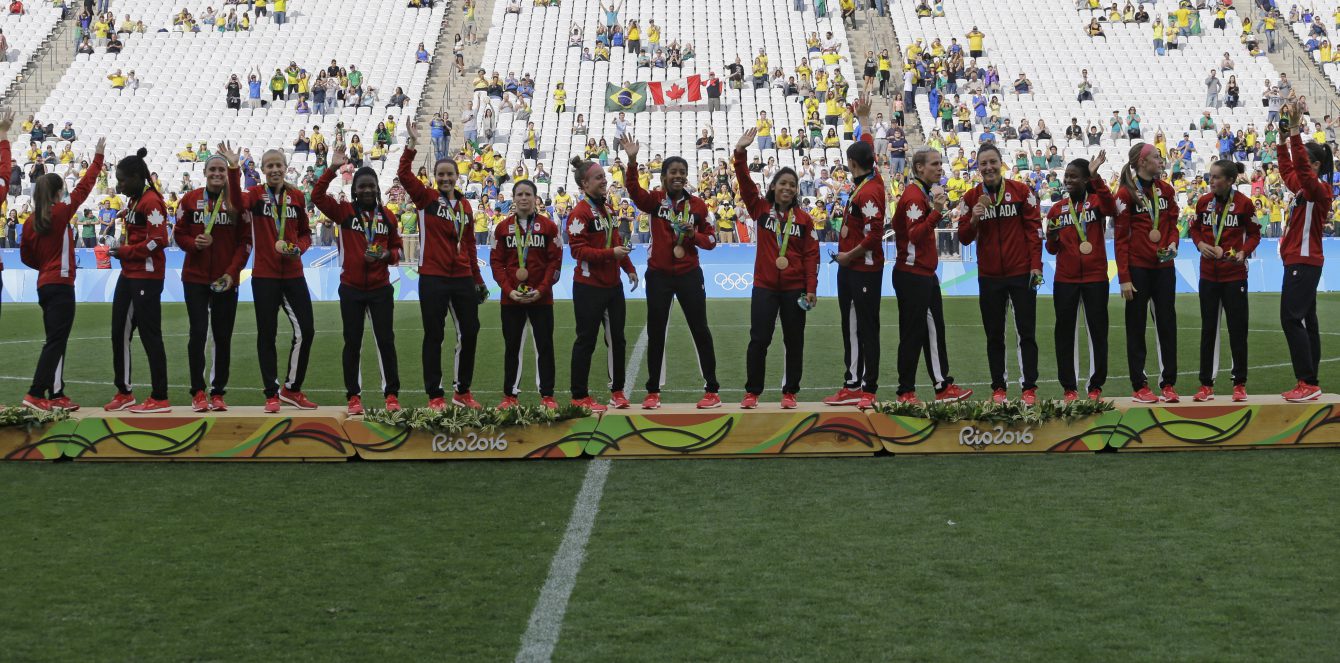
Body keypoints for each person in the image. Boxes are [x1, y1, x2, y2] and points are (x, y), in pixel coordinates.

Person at [619, 137, 720, 409]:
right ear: (663, 177)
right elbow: (632, 190)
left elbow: (711, 242)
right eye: (673, 172)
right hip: (659, 275)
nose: (678, 176)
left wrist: (694, 234)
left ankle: (712, 390)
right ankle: (653, 391)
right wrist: (631, 161)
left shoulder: (698, 206)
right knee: (656, 331)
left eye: (682, 173)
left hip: (689, 274)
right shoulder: (653, 201)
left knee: (700, 329)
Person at [401, 122, 488, 409]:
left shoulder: (465, 207)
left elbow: (471, 245)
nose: (446, 178)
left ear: (457, 176)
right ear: (435, 178)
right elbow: (403, 175)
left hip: (462, 276)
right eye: (441, 174)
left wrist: (477, 279)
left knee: (470, 331)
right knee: (434, 335)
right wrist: (411, 145)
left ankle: (462, 392)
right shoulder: (426, 198)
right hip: (433, 278)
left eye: (450, 174)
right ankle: (435, 395)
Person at [312, 145, 404, 415]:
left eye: (371, 186)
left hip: (380, 289)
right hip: (351, 288)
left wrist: (386, 254)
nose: (366, 190)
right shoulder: (344, 213)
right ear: (355, 190)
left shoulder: (387, 217)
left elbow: (397, 251)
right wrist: (332, 169)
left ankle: (391, 395)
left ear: (377, 189)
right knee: (352, 342)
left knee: (385, 341)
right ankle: (353, 396)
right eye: (362, 186)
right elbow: (317, 196)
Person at [17, 130, 103, 411]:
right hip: (61, 284)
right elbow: (84, 188)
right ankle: (35, 393)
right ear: (57, 193)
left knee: (56, 339)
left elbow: (26, 257)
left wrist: (45, 267)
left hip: (44, 284)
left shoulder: (30, 222)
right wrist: (98, 158)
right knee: (55, 341)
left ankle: (56, 394)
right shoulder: (61, 211)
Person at [732, 129, 818, 408]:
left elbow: (810, 256)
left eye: (792, 185)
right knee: (759, 340)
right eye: (783, 183)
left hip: (795, 289)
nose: (788, 188)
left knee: (794, 342)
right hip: (765, 287)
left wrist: (811, 289)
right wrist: (741, 154)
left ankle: (790, 391)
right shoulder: (760, 209)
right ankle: (752, 392)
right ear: (773, 187)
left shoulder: (804, 219)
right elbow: (745, 184)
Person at [228, 147, 318, 412]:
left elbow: (305, 234)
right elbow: (234, 201)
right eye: (269, 166)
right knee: (266, 334)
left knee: (307, 331)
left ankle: (291, 388)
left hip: (294, 274)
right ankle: (270, 393)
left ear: (286, 166)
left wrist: (298, 248)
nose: (275, 169)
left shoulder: (298, 196)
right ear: (263, 170)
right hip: (264, 276)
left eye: (279, 165)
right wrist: (234, 170)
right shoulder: (255, 195)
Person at [957, 143, 1043, 404]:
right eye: (983, 164)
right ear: (978, 167)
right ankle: (999, 389)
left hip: (1021, 274)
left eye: (992, 162)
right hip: (990, 276)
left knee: (1026, 332)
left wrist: (1036, 265)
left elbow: (1034, 231)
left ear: (1001, 163)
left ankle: (1029, 388)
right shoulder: (970, 198)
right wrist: (973, 218)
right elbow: (963, 237)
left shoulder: (1021, 192)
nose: (988, 167)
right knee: (994, 335)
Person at [172, 145, 251, 412]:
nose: (217, 173)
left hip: (225, 279)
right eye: (212, 169)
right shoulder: (190, 200)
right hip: (194, 277)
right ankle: (197, 392)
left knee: (222, 336)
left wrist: (232, 273)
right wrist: (193, 244)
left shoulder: (236, 203)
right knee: (197, 333)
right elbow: (178, 234)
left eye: (221, 170)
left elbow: (245, 243)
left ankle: (218, 392)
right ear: (204, 173)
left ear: (227, 174)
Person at [891, 147, 972, 403]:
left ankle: (927, 387)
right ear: (919, 169)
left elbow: (897, 225)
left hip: (919, 272)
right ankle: (924, 388)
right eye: (935, 164)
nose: (940, 168)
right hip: (915, 274)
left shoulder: (917, 194)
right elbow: (914, 234)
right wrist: (936, 211)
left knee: (924, 332)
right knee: (922, 332)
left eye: (940, 163)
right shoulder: (915, 196)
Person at [824, 96, 885, 410]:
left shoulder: (871, 190)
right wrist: (862, 119)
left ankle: (868, 387)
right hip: (850, 267)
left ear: (851, 164)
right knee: (851, 326)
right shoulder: (868, 177)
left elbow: (876, 234)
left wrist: (851, 255)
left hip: (863, 269)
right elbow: (867, 145)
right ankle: (852, 383)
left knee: (866, 327)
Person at [567, 155, 639, 412]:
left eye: (604, 177)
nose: (604, 181)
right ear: (585, 184)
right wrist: (612, 256)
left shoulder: (607, 208)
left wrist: (628, 268)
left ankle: (617, 391)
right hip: (588, 287)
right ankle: (579, 396)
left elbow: (615, 239)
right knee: (586, 341)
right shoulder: (579, 212)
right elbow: (577, 251)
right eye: (598, 178)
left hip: (613, 287)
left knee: (617, 340)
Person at [102, 148, 172, 413]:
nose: (119, 185)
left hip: (147, 276)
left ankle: (160, 397)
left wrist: (127, 252)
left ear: (135, 177)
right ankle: (124, 392)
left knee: (150, 335)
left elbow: (159, 240)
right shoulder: (134, 201)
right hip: (130, 274)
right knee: (119, 333)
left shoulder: (151, 202)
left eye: (122, 180)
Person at [1045, 152, 1114, 401]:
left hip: (1095, 277)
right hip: (1065, 279)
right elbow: (1051, 248)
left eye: (1074, 177)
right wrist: (1051, 237)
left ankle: (1095, 386)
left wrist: (1097, 178)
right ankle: (1069, 388)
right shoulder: (1056, 209)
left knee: (1097, 332)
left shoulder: (1097, 202)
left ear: (1086, 180)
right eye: (1066, 176)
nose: (1068, 180)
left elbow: (1111, 208)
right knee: (1065, 334)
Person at [1115, 142, 1181, 403]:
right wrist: (1124, 278)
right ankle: (1139, 385)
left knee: (1167, 325)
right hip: (1138, 269)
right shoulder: (1125, 194)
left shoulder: (1167, 190)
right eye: (1156, 156)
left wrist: (1173, 243)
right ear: (1142, 162)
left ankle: (1168, 384)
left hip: (1164, 268)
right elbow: (1120, 239)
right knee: (1136, 328)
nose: (1161, 159)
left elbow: (1173, 224)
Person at [1189, 159, 1260, 403]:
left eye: (1217, 177)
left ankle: (1239, 384)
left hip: (1234, 276)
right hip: (1208, 276)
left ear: (1230, 180)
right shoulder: (1203, 202)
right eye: (1211, 176)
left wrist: (1243, 252)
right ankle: (1206, 384)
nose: (1212, 181)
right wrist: (1199, 244)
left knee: (1237, 331)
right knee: (1209, 330)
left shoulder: (1244, 204)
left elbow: (1254, 233)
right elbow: (1194, 229)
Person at [1275, 106, 1331, 402]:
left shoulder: (1317, 189)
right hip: (1299, 259)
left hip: (1304, 260)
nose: (1299, 168)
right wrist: (1281, 142)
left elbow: (1300, 173)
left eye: (1305, 163)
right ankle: (1310, 381)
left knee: (1290, 319)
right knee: (1307, 320)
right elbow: (1287, 171)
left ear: (1316, 166)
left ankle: (1307, 382)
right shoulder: (1303, 187)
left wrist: (1295, 133)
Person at [491, 180, 562, 409]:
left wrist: (541, 290)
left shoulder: (549, 227)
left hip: (541, 299)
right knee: (512, 347)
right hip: (511, 299)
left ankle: (547, 396)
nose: (523, 198)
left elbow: (555, 262)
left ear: (535, 198)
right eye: (519, 194)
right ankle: (510, 396)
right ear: (513, 198)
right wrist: (509, 291)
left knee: (545, 346)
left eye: (528, 194)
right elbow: (496, 263)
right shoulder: (501, 228)